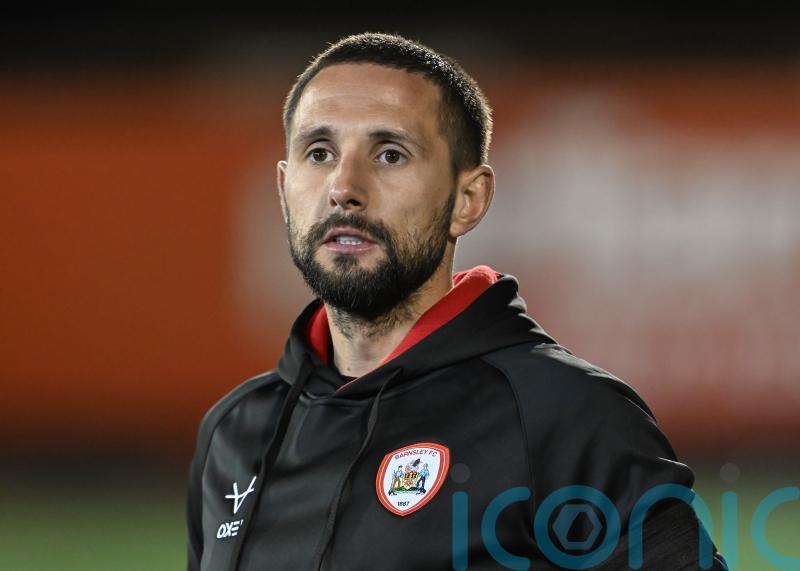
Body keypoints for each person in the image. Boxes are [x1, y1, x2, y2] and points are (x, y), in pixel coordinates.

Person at [186, 32, 728, 570]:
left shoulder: (566, 415)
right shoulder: (234, 434)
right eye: (319, 153)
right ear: (284, 191)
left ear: (468, 200)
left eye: (390, 154)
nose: (344, 187)